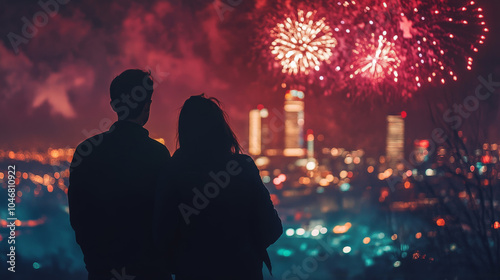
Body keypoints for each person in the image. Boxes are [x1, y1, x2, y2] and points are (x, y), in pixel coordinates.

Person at [154, 94, 283, 280]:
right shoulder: (242, 167)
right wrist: (245, 249)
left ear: (184, 131)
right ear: (221, 128)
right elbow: (272, 228)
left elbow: (162, 234)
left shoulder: (172, 171)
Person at [68, 69, 171, 280]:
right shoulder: (158, 155)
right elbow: (166, 216)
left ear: (114, 105)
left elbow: (79, 217)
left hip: (102, 270)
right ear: (147, 105)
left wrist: (95, 262)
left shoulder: (85, 152)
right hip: (150, 271)